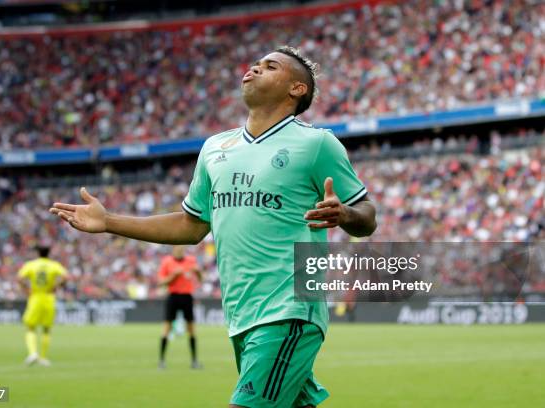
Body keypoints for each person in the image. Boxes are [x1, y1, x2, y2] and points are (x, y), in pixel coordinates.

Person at [50, 45, 376, 407]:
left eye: (269, 66)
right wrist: (109, 221)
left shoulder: (316, 144)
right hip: (242, 315)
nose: (253, 69)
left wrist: (345, 214)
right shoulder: (215, 147)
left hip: (290, 310)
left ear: (296, 89)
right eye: (254, 64)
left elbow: (367, 214)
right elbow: (191, 226)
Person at [18, 245, 67, 366]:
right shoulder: (54, 265)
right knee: (46, 329)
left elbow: (19, 278)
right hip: (49, 297)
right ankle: (43, 357)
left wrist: (26, 289)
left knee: (30, 327)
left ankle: (33, 353)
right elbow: (65, 277)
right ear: (49, 253)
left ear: (37, 253)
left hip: (35, 297)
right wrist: (56, 286)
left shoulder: (31, 264)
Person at [157, 245, 203, 369]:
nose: (180, 250)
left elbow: (200, 279)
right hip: (173, 296)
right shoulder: (167, 262)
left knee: (191, 329)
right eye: (178, 248)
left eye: (182, 248)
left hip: (187, 297)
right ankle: (161, 361)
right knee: (166, 328)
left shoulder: (191, 261)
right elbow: (160, 282)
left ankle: (194, 361)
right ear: (174, 249)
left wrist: (198, 272)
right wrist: (173, 276)